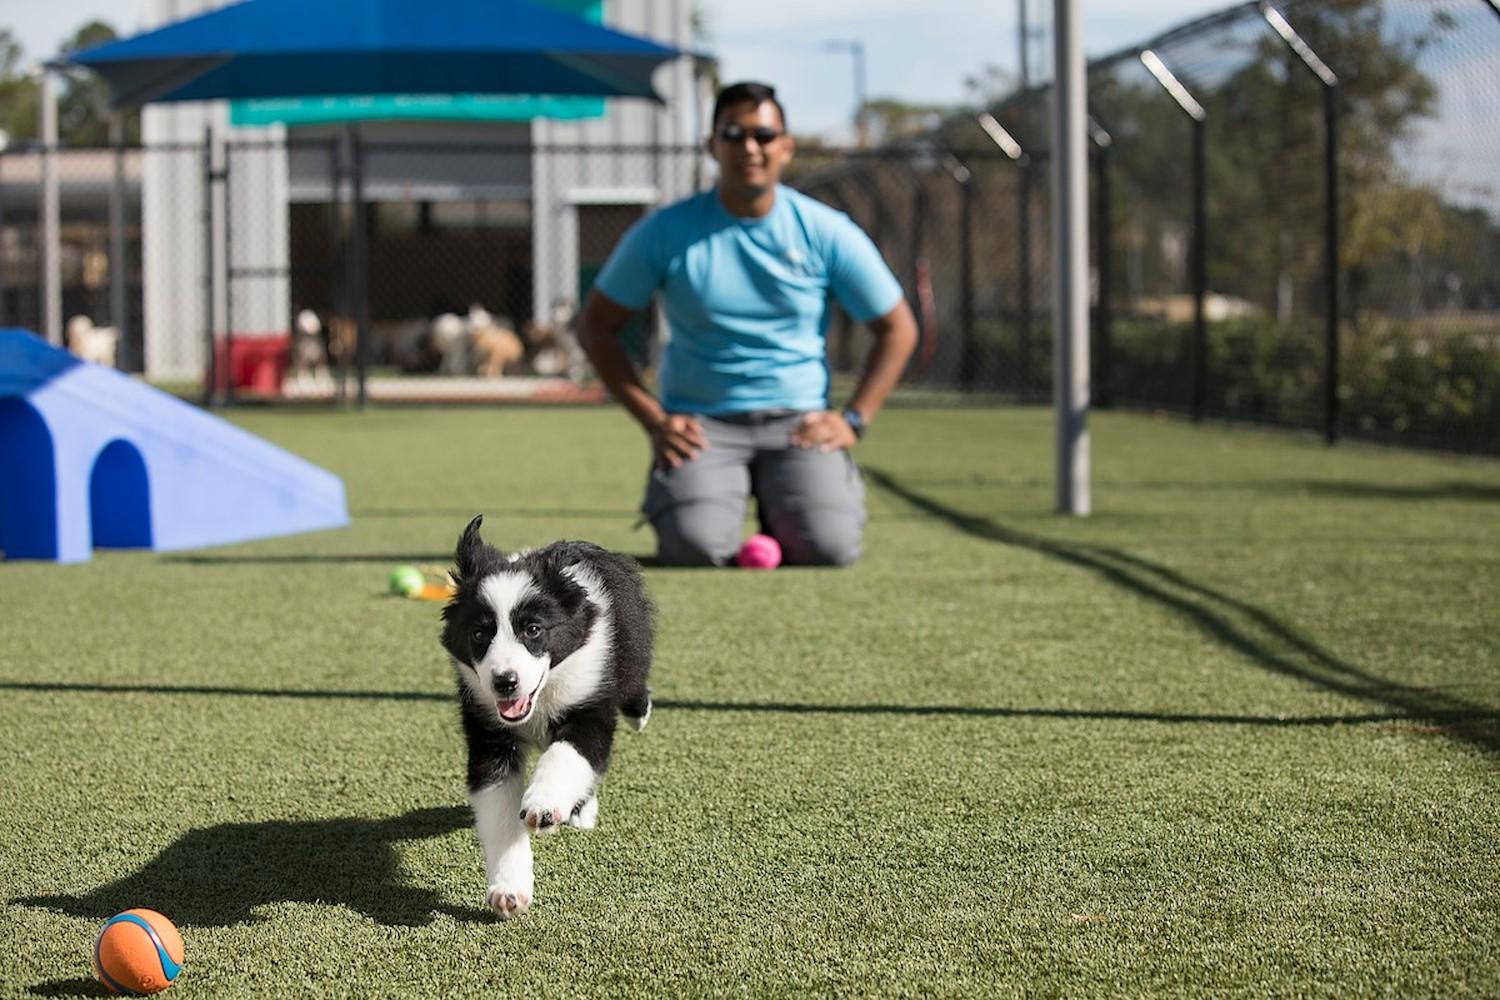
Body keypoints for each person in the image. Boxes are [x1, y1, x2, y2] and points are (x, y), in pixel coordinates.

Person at [577, 81, 918, 567]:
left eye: (763, 135)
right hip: (702, 424)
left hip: (800, 423)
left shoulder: (826, 231)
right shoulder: (664, 232)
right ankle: (720, 498)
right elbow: (596, 326)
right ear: (711, 145)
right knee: (695, 546)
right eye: (734, 134)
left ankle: (786, 501)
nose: (750, 148)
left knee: (830, 546)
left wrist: (853, 419)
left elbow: (898, 327)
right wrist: (655, 420)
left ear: (786, 146)